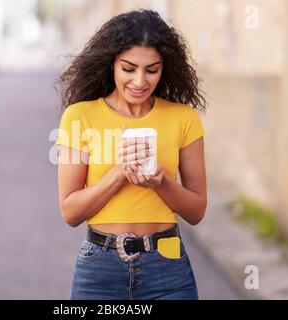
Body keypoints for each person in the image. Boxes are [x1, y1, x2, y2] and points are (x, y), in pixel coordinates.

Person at [54, 9, 207, 300]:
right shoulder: (79, 117)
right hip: (99, 269)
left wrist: (160, 182)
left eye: (152, 69)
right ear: (110, 63)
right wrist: (119, 173)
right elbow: (70, 212)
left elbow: (196, 211)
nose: (140, 81)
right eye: (129, 68)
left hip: (167, 266)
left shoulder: (183, 119)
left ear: (165, 68)